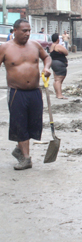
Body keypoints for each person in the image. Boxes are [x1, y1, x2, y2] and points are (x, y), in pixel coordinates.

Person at [0, 19, 52, 170]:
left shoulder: (35, 45)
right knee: (20, 124)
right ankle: (26, 159)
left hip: (35, 92)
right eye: (24, 31)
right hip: (17, 92)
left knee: (33, 124)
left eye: (29, 30)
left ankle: (19, 149)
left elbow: (47, 57)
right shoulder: (5, 48)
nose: (27, 33)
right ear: (15, 31)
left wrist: (46, 68)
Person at [49, 33, 69, 99]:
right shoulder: (57, 46)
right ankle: (59, 95)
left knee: (56, 79)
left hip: (54, 63)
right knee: (59, 80)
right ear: (57, 39)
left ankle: (57, 94)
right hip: (59, 64)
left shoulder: (51, 46)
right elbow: (66, 52)